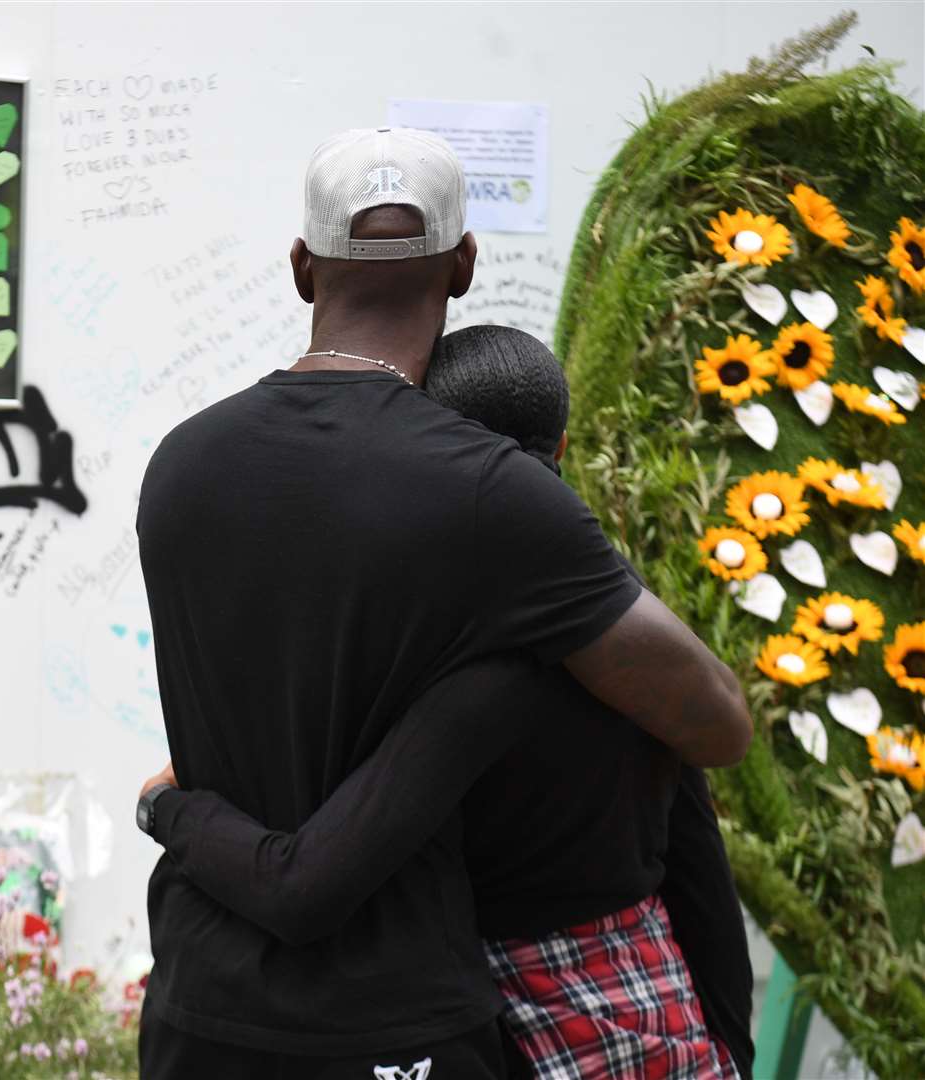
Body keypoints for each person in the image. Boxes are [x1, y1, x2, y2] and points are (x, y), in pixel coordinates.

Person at [133, 128, 751, 1078]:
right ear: (463, 266)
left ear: (303, 267)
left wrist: (174, 809)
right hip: (390, 1022)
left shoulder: (179, 465)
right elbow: (713, 725)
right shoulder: (491, 494)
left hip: (198, 1001)